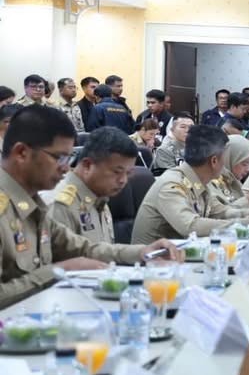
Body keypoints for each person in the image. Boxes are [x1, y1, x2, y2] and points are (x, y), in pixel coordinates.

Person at [0, 108, 180, 305]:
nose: (66, 167)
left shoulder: (32, 203)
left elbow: (83, 248)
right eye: (60, 158)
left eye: (69, 158)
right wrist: (59, 271)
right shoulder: (21, 205)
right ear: (22, 153)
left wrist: (143, 252)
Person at [132, 125, 247, 243]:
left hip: (183, 250)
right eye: (224, 158)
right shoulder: (171, 185)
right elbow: (190, 226)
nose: (225, 163)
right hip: (155, 254)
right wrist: (239, 224)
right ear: (214, 161)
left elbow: (221, 212)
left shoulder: (200, 181)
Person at [47, 127, 141, 244]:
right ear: (87, 165)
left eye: (128, 173)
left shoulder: (100, 197)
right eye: (117, 172)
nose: (123, 180)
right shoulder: (59, 205)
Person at [207, 134, 249, 211]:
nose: (248, 169)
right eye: (244, 164)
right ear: (228, 158)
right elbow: (217, 214)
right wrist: (246, 202)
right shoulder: (210, 182)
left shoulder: (232, 181)